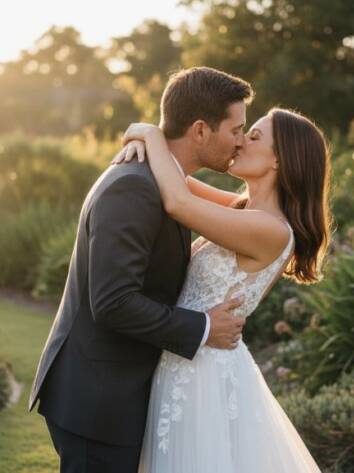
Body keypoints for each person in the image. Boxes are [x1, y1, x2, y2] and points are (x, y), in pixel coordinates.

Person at [28, 66, 254, 473]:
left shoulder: (167, 183)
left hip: (119, 394)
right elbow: (114, 301)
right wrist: (203, 327)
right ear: (200, 130)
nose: (240, 141)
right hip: (97, 401)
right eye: (236, 129)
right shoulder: (134, 186)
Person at [113, 102, 332, 472]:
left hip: (202, 376)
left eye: (254, 135)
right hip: (188, 357)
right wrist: (142, 136)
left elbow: (178, 201)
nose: (240, 141)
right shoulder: (244, 210)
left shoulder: (271, 231)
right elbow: (178, 177)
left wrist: (150, 133)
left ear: (280, 160)